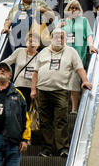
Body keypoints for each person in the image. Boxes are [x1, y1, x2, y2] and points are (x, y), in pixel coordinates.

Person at [30, 29, 92, 158]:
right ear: (51, 38)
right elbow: (35, 72)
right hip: (42, 91)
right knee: (45, 121)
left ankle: (63, 148)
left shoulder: (71, 52)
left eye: (62, 37)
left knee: (61, 120)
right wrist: (33, 89)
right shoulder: (44, 52)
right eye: (56, 37)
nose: (59, 39)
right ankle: (47, 149)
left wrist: (85, 81)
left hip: (61, 91)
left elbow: (80, 68)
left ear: (65, 39)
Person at [59, 0, 98, 113]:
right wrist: (58, 28)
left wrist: (91, 46)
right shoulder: (62, 22)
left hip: (78, 56)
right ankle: (63, 108)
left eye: (76, 8)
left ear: (79, 9)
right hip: (64, 57)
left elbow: (89, 34)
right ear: (67, 9)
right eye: (71, 8)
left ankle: (74, 109)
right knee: (63, 84)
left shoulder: (84, 21)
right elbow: (55, 38)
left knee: (74, 82)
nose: (73, 10)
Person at [0, 33, 40, 110]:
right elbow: (7, 62)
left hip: (32, 89)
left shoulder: (40, 56)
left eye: (35, 42)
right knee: (15, 109)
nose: (33, 44)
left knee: (27, 111)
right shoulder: (19, 51)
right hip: (18, 87)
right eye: (30, 41)